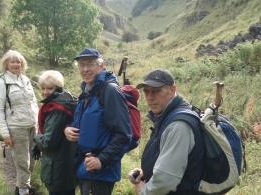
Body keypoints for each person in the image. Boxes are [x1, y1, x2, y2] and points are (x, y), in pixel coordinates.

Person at [64, 48, 131, 195]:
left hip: (101, 172)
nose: (85, 69)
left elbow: (124, 134)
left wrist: (101, 160)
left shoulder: (110, 91)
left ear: (101, 66)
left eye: (90, 64)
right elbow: (83, 122)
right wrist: (68, 129)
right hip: (85, 167)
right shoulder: (88, 91)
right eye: (82, 65)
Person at [129, 69, 204, 195]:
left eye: (156, 91)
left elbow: (165, 180)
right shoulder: (166, 117)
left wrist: (143, 191)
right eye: (146, 91)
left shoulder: (179, 125)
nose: (150, 97)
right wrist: (145, 173)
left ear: (172, 90)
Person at [0, 50, 38, 195]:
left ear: (22, 64)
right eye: (12, 61)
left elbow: (34, 102)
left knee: (33, 159)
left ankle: (22, 187)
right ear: (6, 64)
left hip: (32, 125)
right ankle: (24, 191)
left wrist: (38, 122)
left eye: (18, 62)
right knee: (22, 162)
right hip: (16, 127)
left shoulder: (25, 79)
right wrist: (6, 134)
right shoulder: (2, 82)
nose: (16, 64)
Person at [34, 70, 77, 195]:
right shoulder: (64, 101)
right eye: (43, 88)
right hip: (65, 162)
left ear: (58, 88)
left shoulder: (56, 110)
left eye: (50, 88)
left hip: (58, 166)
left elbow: (48, 142)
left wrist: (36, 138)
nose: (45, 92)